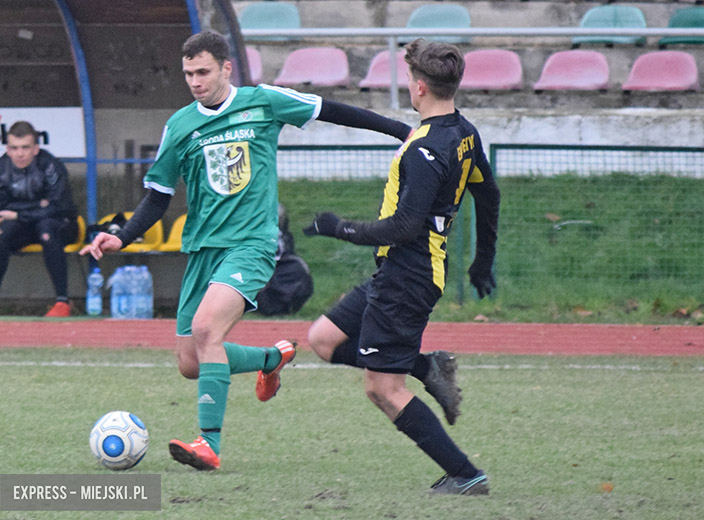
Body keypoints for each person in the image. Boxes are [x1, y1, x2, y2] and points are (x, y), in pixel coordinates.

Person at [80, 31, 413, 472]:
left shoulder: (263, 102)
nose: (195, 81)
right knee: (190, 362)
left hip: (251, 245)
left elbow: (330, 110)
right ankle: (271, 358)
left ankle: (209, 444)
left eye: (203, 72)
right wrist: (122, 236)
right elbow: (158, 196)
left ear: (226, 68)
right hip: (203, 251)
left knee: (206, 330)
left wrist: (403, 132)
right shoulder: (179, 126)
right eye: (188, 74)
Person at [302, 38, 501, 496]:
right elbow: (488, 194)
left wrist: (339, 227)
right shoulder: (463, 132)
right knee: (324, 340)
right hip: (399, 272)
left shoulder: (424, 149)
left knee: (382, 389)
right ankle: (426, 367)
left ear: (419, 87)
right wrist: (483, 259)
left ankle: (466, 474)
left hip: (409, 277)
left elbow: (405, 226)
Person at [0, 120, 79, 317]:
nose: (19, 153)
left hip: (61, 225)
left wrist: (19, 213)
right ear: (7, 149)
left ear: (35, 148)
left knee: (46, 229)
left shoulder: (51, 165)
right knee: (1, 234)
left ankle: (62, 303)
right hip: (23, 226)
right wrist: (38, 205)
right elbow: (3, 206)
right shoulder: (2, 167)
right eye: (14, 148)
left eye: (25, 147)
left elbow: (60, 207)